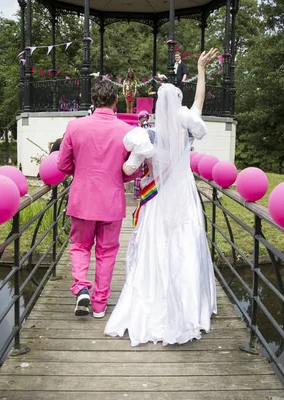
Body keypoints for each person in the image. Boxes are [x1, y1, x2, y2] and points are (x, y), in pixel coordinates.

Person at [104, 48, 220, 346]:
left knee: (155, 247)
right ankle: (190, 306)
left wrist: (123, 168)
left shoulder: (146, 136)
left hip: (156, 200)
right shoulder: (188, 130)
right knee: (186, 244)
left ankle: (153, 302)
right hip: (184, 197)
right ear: (178, 106)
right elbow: (199, 103)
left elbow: (129, 167)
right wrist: (202, 70)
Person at [57, 81, 140, 318]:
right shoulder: (127, 131)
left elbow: (62, 165)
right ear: (116, 101)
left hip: (82, 199)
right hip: (112, 201)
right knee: (107, 252)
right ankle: (100, 304)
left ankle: (81, 286)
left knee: (80, 246)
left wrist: (82, 172)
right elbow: (131, 170)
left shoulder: (74, 127)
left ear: (93, 101)